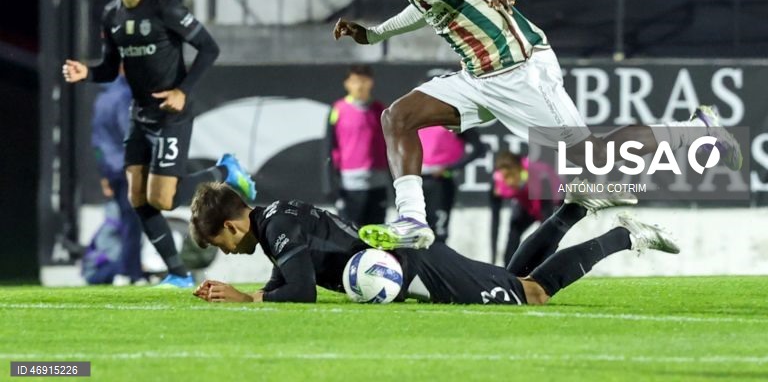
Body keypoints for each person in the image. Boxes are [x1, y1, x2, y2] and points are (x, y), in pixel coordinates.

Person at [332, 0, 742, 251]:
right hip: (478, 78)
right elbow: (420, 11)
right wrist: (373, 34)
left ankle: (700, 131)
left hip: (520, 71)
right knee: (398, 117)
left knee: (592, 155)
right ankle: (413, 223)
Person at [62, 0, 255, 288]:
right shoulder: (111, 14)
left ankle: (226, 171)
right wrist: (86, 72)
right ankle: (178, 274)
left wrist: (183, 90)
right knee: (138, 199)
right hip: (140, 114)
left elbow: (209, 48)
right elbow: (109, 67)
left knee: (163, 200)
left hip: (171, 112)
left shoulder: (163, 6)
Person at [189, 181, 676, 305]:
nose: (227, 252)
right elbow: (286, 279)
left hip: (413, 268)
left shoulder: (276, 228)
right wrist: (256, 295)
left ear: (232, 226)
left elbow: (300, 291)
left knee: (532, 294)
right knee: (514, 280)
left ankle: (623, 234)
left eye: (220, 243)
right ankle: (573, 208)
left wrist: (243, 298)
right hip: (407, 264)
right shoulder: (277, 219)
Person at [90, 70, 144, 285]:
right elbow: (127, 133)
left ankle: (127, 270)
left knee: (126, 220)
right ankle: (130, 272)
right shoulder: (124, 96)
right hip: (127, 168)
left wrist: (104, 174)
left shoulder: (102, 97)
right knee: (134, 222)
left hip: (112, 169)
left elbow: (97, 142)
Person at [323, 64, 389, 226]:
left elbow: (390, 146)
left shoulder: (380, 109)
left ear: (371, 82)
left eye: (364, 81)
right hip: (350, 186)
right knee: (352, 234)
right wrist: (329, 185)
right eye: (354, 81)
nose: (359, 86)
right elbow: (328, 148)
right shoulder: (337, 109)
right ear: (346, 84)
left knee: (377, 234)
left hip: (378, 184)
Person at [489, 151, 562, 266]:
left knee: (546, 233)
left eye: (510, 176)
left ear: (519, 170)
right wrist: (493, 258)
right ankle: (508, 270)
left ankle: (544, 268)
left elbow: (547, 216)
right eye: (505, 177)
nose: (508, 181)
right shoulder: (498, 182)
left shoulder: (538, 175)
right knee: (514, 230)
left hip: (549, 202)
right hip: (527, 207)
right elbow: (494, 220)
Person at [419, 124, 485, 243]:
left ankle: (437, 261)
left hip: (440, 181)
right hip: (414, 180)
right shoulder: (416, 115)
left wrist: (450, 168)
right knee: (415, 230)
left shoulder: (451, 116)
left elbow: (479, 149)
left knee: (437, 231)